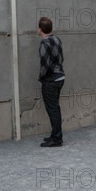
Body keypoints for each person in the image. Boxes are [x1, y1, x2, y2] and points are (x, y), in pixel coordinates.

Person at [37, 16, 65, 147]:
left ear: (40, 29)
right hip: (60, 77)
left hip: (51, 80)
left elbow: (45, 64)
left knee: (52, 109)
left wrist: (42, 77)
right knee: (55, 108)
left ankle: (57, 138)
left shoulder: (45, 43)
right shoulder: (57, 39)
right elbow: (61, 58)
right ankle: (55, 135)